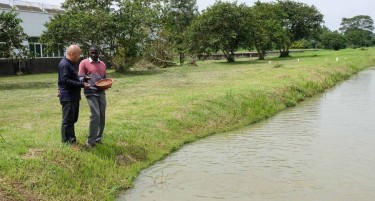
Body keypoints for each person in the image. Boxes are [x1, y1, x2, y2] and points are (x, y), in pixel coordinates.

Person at [58, 45, 90, 144]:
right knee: (67, 121)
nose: (80, 57)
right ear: (72, 54)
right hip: (68, 97)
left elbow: (69, 78)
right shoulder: (65, 64)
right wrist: (81, 84)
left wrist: (82, 78)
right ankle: (67, 141)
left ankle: (71, 139)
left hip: (73, 96)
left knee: (72, 119)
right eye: (79, 54)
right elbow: (65, 80)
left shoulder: (70, 63)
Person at [79, 45, 107, 147]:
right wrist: (84, 78)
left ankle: (98, 138)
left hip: (101, 92)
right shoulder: (84, 63)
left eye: (96, 52)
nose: (94, 54)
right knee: (95, 115)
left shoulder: (102, 64)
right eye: (92, 52)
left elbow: (104, 78)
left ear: (99, 53)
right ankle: (90, 142)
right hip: (90, 91)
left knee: (102, 116)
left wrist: (106, 85)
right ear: (89, 53)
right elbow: (80, 77)